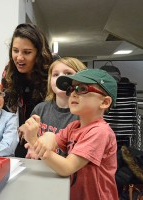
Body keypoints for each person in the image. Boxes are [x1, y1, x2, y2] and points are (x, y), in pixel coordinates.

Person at [19, 69, 119, 199]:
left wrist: (33, 140)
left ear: (104, 102)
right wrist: (46, 137)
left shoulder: (100, 132)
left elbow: (67, 167)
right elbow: (53, 139)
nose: (72, 94)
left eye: (82, 89)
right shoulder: (74, 126)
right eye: (71, 89)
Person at [1, 23, 53, 157]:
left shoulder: (51, 73)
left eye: (27, 52)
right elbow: (6, 106)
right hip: (19, 135)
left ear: (39, 53)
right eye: (15, 50)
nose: (19, 57)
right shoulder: (9, 72)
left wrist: (30, 125)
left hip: (47, 136)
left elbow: (57, 110)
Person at [26, 57, 86, 158]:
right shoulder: (40, 109)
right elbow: (31, 138)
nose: (60, 78)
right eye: (55, 75)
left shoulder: (84, 114)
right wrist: (32, 146)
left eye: (68, 73)